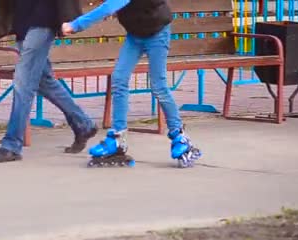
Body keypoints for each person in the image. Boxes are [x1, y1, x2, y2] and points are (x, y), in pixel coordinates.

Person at [0, 0, 98, 163]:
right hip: (23, 22)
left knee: (23, 84)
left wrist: (69, 18)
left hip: (44, 21)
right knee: (42, 82)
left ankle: (11, 146)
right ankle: (84, 125)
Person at [62, 0, 202, 168]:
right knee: (119, 80)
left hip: (157, 33)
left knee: (159, 86)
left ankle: (179, 136)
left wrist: (75, 25)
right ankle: (118, 137)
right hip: (135, 36)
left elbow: (109, 7)